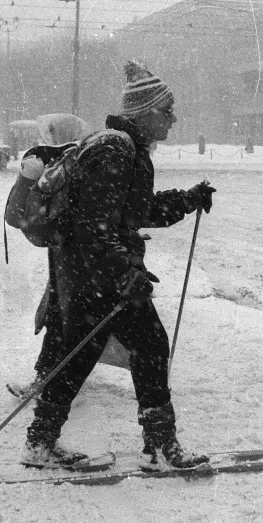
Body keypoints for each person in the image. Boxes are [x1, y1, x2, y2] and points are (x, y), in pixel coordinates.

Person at [20, 60, 216, 471]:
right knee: (143, 348)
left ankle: (42, 443)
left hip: (89, 274)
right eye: (167, 111)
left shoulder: (124, 149)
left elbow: (132, 211)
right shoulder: (115, 149)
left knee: (84, 356)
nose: (173, 119)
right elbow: (95, 224)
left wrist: (187, 199)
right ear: (145, 112)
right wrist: (124, 274)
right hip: (100, 277)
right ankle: (161, 447)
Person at [5, 113, 91, 401]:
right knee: (63, 322)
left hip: (78, 261)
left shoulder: (70, 166)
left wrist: (27, 180)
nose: (43, 143)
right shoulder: (67, 163)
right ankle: (51, 380)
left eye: (48, 136)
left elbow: (19, 218)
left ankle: (54, 387)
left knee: (69, 325)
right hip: (72, 260)